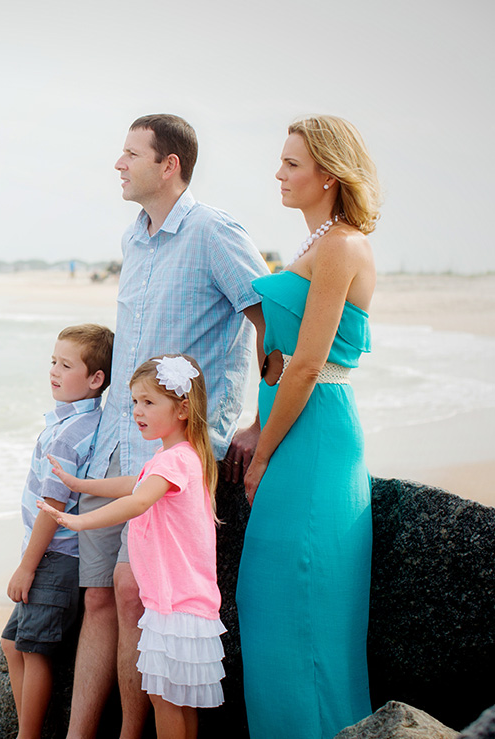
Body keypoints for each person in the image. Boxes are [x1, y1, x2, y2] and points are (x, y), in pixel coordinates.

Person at [71, 114, 269, 739]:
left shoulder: (215, 232)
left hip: (174, 453)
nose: (118, 164)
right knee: (100, 596)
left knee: (136, 595)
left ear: (169, 164)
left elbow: (269, 323)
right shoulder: (134, 238)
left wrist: (258, 422)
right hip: (115, 437)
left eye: (130, 154)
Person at [236, 115, 381, 739]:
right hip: (286, 425)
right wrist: (252, 422)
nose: (279, 174)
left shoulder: (344, 244)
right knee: (265, 601)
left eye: (292, 163)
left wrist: (264, 453)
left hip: (315, 440)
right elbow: (280, 359)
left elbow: (311, 365)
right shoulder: (310, 244)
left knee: (302, 606)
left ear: (328, 172)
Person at [40, 354, 225, 739]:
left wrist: (78, 520)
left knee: (165, 701)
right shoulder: (179, 457)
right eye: (135, 402)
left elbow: (138, 501)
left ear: (183, 409)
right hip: (187, 605)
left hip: (173, 605)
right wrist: (78, 485)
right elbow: (131, 485)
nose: (137, 412)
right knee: (179, 702)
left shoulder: (173, 462)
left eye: (149, 402)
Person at [2, 323, 115, 739]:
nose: (53, 371)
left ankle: (28, 734)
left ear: (95, 379)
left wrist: (26, 568)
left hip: (57, 557)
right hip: (50, 554)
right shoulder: (70, 422)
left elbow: (52, 506)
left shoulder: (70, 434)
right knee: (13, 645)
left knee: (34, 651)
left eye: (66, 365)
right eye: (53, 361)